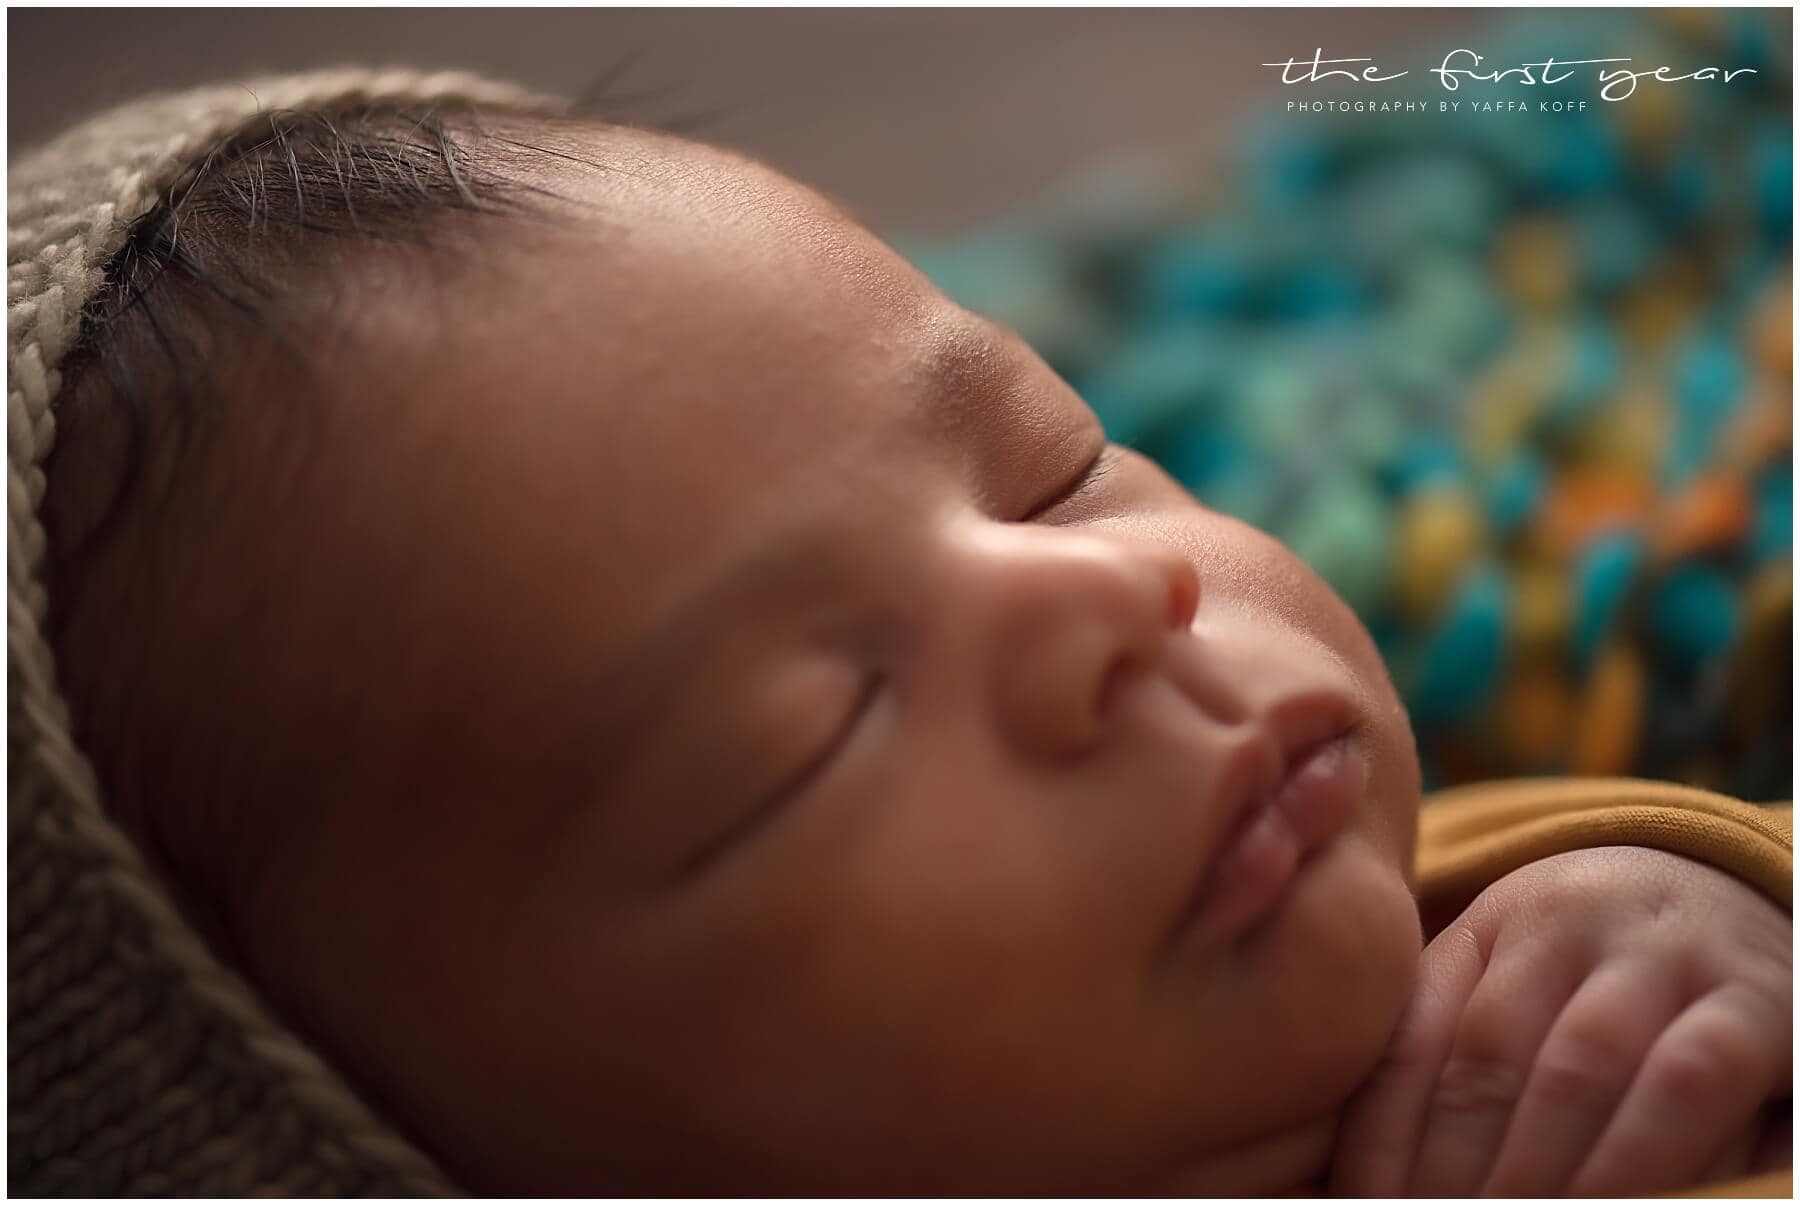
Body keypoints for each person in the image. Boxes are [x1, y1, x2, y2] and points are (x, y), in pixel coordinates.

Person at [9, 67, 1790, 1196]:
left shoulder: (1484, 920)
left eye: (1055, 467)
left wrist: (1686, 897)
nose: (1106, 600)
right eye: (809, 736)